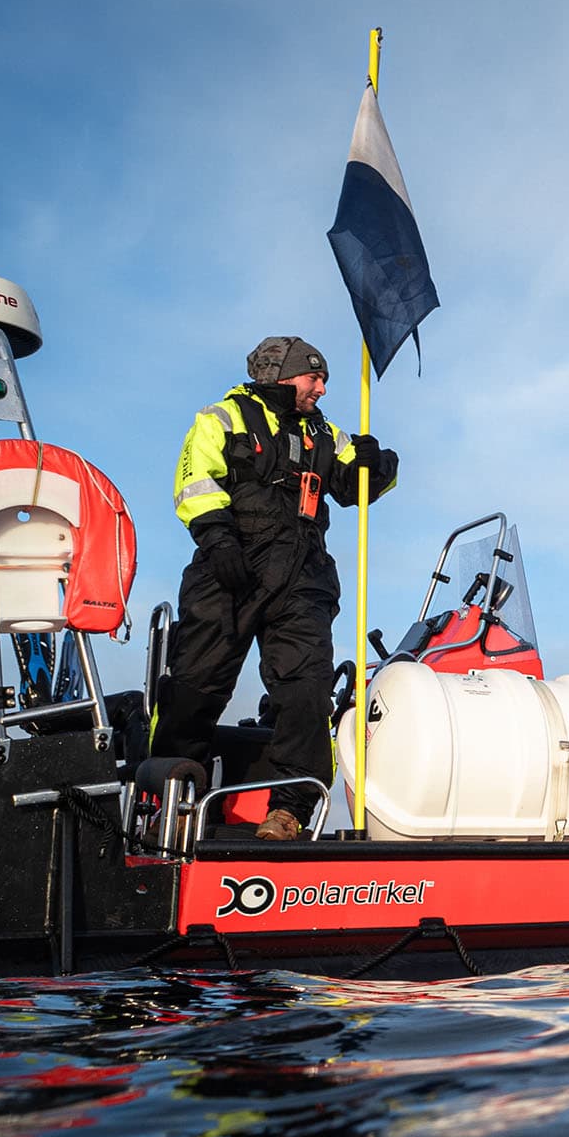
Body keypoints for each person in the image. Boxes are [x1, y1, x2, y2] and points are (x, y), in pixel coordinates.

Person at [151, 336, 399, 841]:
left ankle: (290, 811)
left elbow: (358, 487)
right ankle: (172, 802)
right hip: (229, 571)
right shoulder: (222, 417)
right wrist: (218, 541)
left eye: (324, 378)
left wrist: (380, 463)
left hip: (303, 577)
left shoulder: (324, 432)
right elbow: (194, 481)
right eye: (315, 378)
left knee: (306, 692)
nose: (323, 388)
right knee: (194, 690)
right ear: (283, 376)